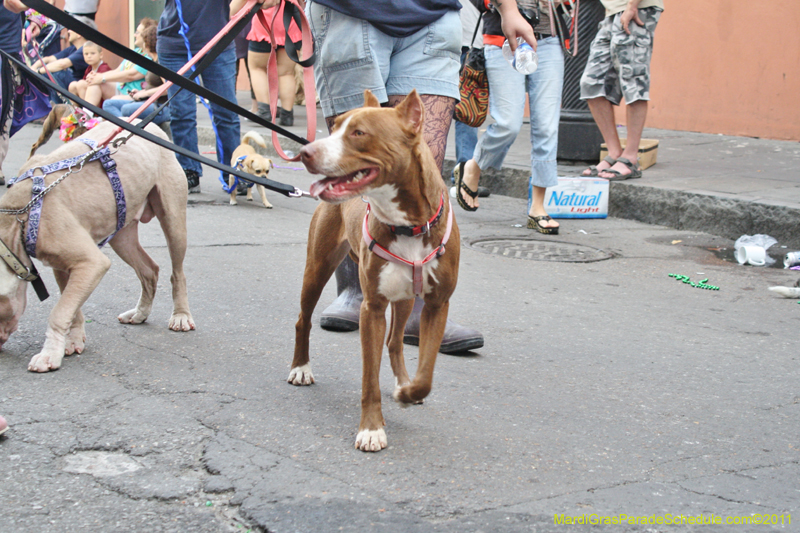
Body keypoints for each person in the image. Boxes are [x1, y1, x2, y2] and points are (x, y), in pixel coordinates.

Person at [303, 0, 485, 354]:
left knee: (420, 163)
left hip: (434, 15)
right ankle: (361, 288)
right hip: (349, 12)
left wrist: (509, 10)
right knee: (358, 164)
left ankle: (421, 299)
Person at [455, 0, 564, 236]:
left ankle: (538, 207)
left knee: (547, 126)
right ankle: (474, 166)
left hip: (549, 38)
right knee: (508, 123)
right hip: (504, 35)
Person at [158, 0, 276, 194]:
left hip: (218, 42)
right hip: (174, 46)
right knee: (181, 113)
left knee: (226, 113)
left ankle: (234, 172)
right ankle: (189, 171)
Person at [579, 0, 663, 180]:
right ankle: (615, 152)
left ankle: (630, 157)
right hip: (613, 11)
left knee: (634, 81)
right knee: (590, 83)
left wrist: (632, 6)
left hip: (635, 9)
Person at [244, 1, 300, 126]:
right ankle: (287, 115)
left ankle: (264, 111)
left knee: (257, 68)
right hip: (291, 22)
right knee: (286, 73)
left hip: (265, 23)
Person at [102, 25, 169, 126]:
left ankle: (127, 128)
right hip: (148, 101)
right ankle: (129, 127)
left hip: (161, 107)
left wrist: (145, 94)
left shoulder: (161, 62)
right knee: (108, 104)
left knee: (126, 109)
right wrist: (141, 92)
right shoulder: (153, 61)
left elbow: (167, 88)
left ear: (147, 45)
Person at [67, 41, 112, 106]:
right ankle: (75, 111)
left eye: (92, 53)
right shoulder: (89, 69)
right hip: (90, 94)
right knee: (72, 85)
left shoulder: (104, 68)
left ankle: (89, 111)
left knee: (81, 84)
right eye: (86, 54)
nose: (89, 56)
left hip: (101, 99)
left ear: (101, 55)